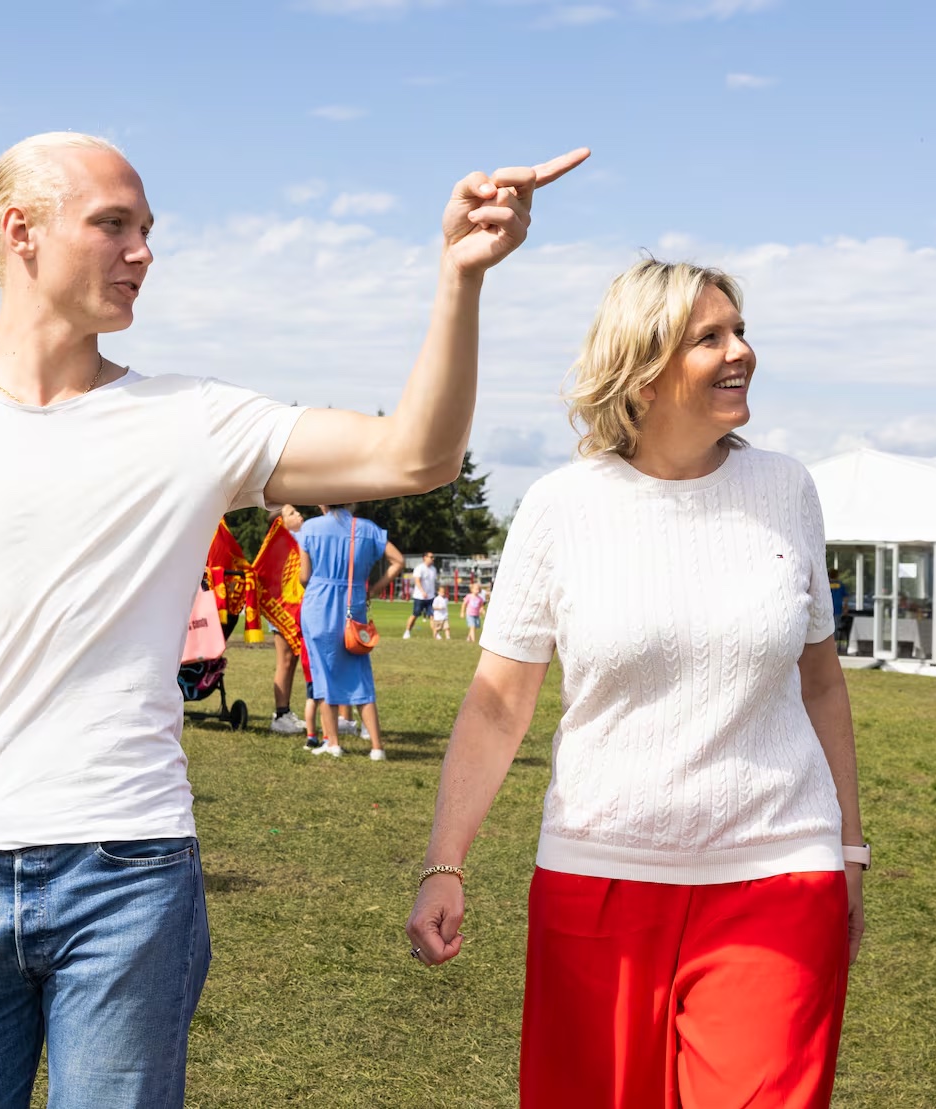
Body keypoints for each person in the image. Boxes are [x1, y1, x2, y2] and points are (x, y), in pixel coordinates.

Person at [0, 130, 587, 1106]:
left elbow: (413, 456)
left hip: (128, 878)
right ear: (21, 232)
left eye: (147, 230)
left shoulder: (195, 421)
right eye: (114, 225)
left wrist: (458, 280)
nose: (144, 251)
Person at [405, 259, 866, 1109]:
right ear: (644, 368)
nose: (743, 352)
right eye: (711, 337)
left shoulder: (787, 488)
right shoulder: (559, 507)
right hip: (596, 876)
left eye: (741, 330)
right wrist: (446, 862)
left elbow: (822, 683)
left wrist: (849, 851)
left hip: (777, 872)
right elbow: (500, 701)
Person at [298, 504, 405, 759]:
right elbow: (398, 561)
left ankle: (332, 743)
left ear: (323, 503)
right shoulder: (368, 529)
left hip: (318, 604)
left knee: (323, 672)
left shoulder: (310, 528)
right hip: (352, 603)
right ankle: (377, 747)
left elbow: (304, 576)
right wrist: (374, 589)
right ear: (352, 502)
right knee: (359, 672)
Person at [267, 503, 310, 736]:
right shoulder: (282, 543)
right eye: (291, 513)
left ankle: (285, 712)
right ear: (280, 522)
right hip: (285, 609)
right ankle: (280, 713)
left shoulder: (299, 537)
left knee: (293, 661)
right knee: (285, 660)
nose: (299, 514)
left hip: (299, 607)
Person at [403, 551, 438, 638]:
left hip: (430, 597)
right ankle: (407, 631)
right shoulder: (419, 568)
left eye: (433, 557)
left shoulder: (433, 569)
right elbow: (417, 581)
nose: (433, 559)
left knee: (432, 615)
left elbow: (434, 582)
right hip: (420, 597)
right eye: (431, 557)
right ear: (425, 557)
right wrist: (422, 591)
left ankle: (435, 634)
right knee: (415, 614)